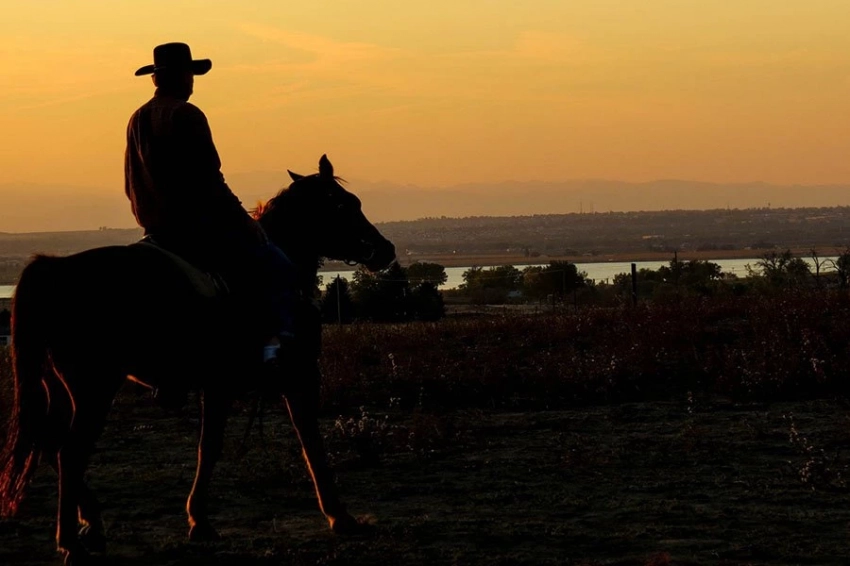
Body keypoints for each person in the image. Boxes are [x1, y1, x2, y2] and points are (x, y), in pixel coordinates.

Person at [125, 42, 299, 407]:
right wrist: (244, 221)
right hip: (196, 228)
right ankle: (271, 357)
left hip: (154, 231)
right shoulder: (187, 115)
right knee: (276, 266)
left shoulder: (137, 118)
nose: (192, 81)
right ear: (175, 77)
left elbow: (131, 180)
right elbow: (210, 179)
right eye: (189, 74)